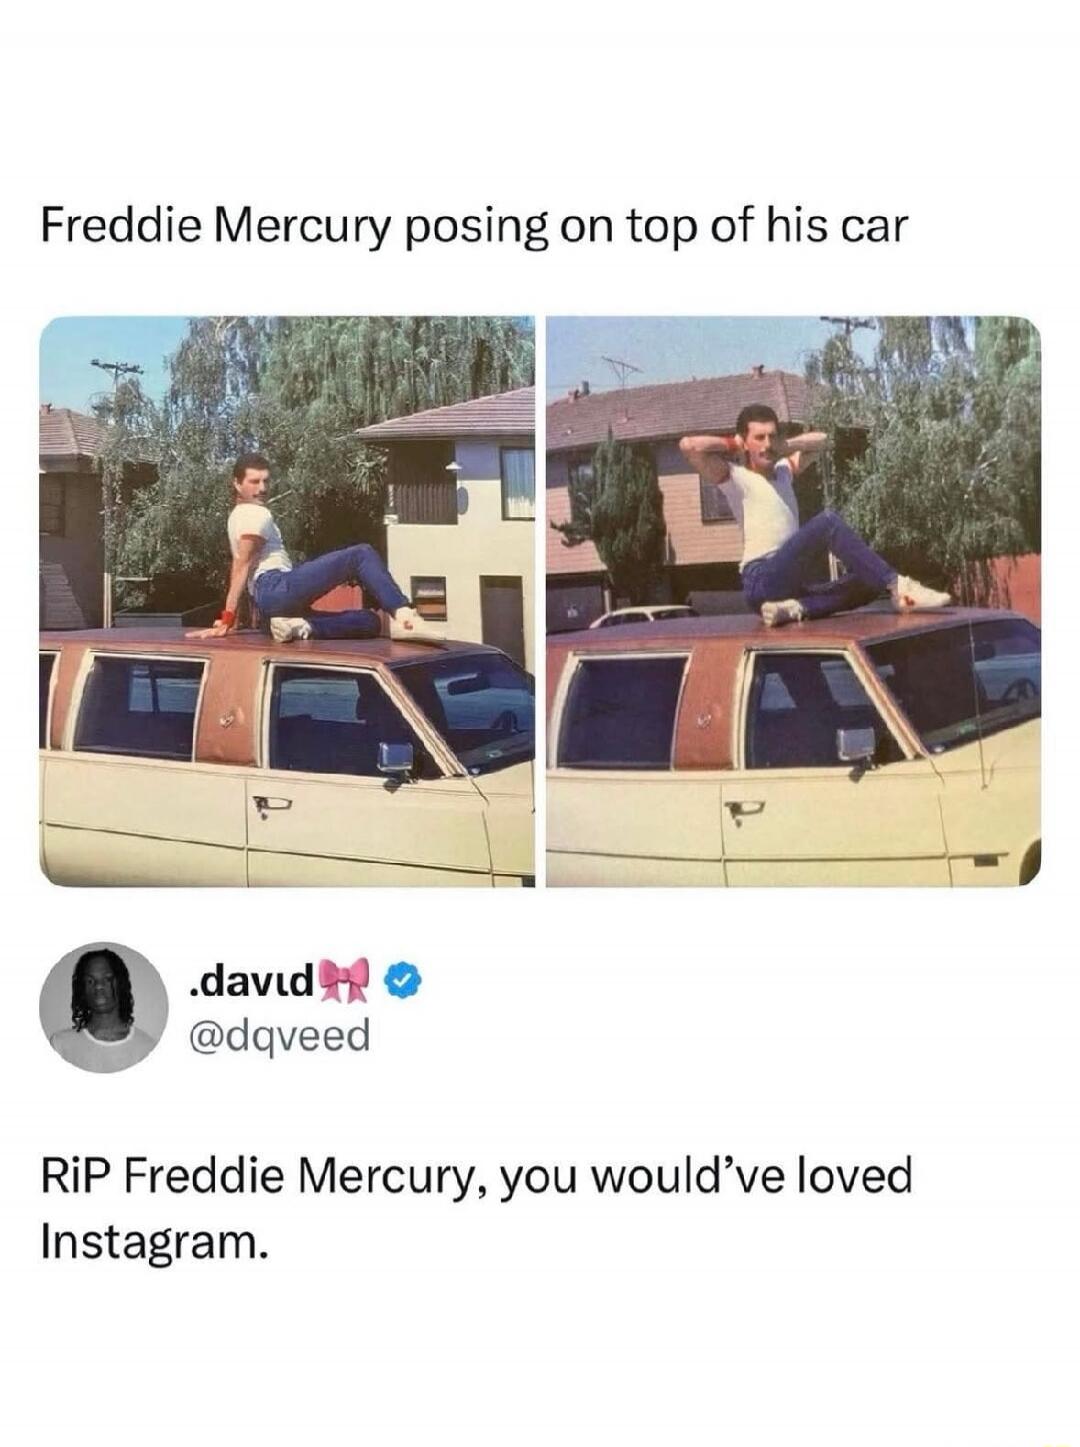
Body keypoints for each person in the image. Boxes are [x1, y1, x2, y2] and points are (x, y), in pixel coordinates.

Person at [679, 405, 951, 626]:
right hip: (762, 578)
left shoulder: (784, 471)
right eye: (759, 438)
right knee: (828, 523)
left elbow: (822, 441)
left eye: (772, 436)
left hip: (791, 583)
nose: (767, 444)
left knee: (869, 580)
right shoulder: (735, 478)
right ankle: (899, 587)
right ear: (745, 441)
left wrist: (783, 446)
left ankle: (796, 608)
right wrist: (734, 443)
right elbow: (689, 446)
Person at [188, 453, 439, 642]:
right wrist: (227, 619)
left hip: (270, 604)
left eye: (266, 481)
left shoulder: (237, 516)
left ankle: (300, 626)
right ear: (237, 483)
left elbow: (241, 569)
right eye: (254, 482)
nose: (262, 488)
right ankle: (406, 616)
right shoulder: (256, 515)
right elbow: (241, 567)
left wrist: (236, 619)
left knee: (369, 621)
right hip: (276, 587)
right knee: (361, 554)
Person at [49, 948, 157, 1074]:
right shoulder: (60, 1045)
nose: (98, 986)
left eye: (107, 979)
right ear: (82, 989)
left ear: (120, 984)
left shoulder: (147, 1048)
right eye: (90, 981)